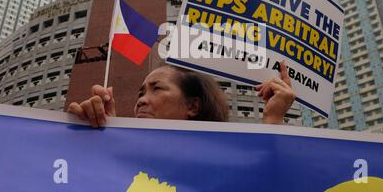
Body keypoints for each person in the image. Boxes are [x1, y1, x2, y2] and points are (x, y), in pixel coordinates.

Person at [67, 61, 296, 127]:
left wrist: (274, 119)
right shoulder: (121, 155)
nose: (141, 100)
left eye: (157, 88)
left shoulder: (222, 163)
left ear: (193, 107)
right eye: (141, 92)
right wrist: (105, 132)